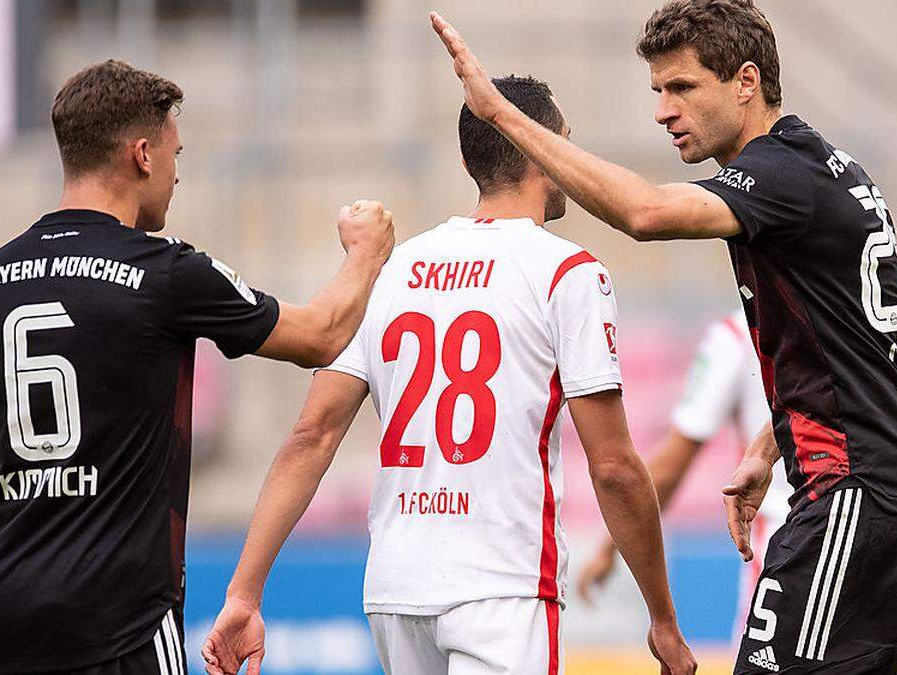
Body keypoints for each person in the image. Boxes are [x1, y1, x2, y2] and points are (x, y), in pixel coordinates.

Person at [431, 1, 897, 672]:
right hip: (890, 490)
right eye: (657, 91)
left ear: (745, 82)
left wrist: (503, 115)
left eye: (681, 87)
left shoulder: (778, 174)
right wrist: (775, 439)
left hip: (859, 491)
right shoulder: (827, 168)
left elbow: (645, 213)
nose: (662, 110)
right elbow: (861, 348)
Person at [200, 76, 696, 675]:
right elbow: (613, 466)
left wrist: (244, 593)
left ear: (468, 161)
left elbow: (313, 435)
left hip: (397, 588)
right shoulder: (568, 272)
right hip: (503, 586)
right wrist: (663, 618)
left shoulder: (389, 268)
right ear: (546, 148)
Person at [0, 59, 394, 675]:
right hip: (118, 628)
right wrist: (366, 253)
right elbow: (321, 335)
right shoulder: (165, 272)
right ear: (143, 155)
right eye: (177, 154)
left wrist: (48, 511)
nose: (178, 175)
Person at [575, 312, 897, 653]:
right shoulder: (893, 328)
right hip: (872, 553)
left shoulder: (737, 337)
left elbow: (673, 462)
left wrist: (611, 547)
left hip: (787, 559)